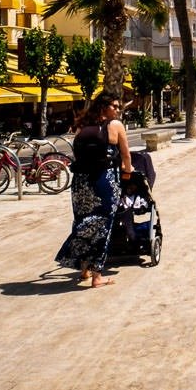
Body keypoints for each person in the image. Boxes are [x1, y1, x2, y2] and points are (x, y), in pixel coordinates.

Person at [55, 91, 133, 288]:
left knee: (82, 221)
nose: (117, 109)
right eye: (114, 106)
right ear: (103, 106)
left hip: (80, 181)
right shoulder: (115, 126)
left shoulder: (82, 125)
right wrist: (127, 174)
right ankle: (97, 276)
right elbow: (126, 155)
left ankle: (84, 270)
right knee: (103, 225)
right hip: (103, 181)